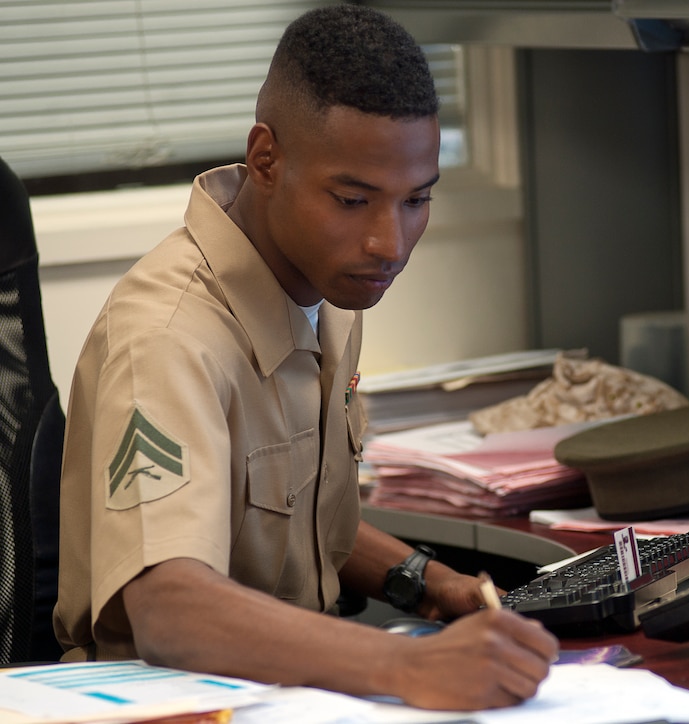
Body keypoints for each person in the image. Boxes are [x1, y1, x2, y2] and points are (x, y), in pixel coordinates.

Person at [53, 4, 558, 711]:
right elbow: (169, 607)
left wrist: (425, 578)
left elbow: (290, 512)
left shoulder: (327, 287)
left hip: (297, 687)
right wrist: (408, 667)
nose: (390, 242)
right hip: (176, 702)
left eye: (416, 200)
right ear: (267, 160)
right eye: (353, 199)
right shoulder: (169, 340)